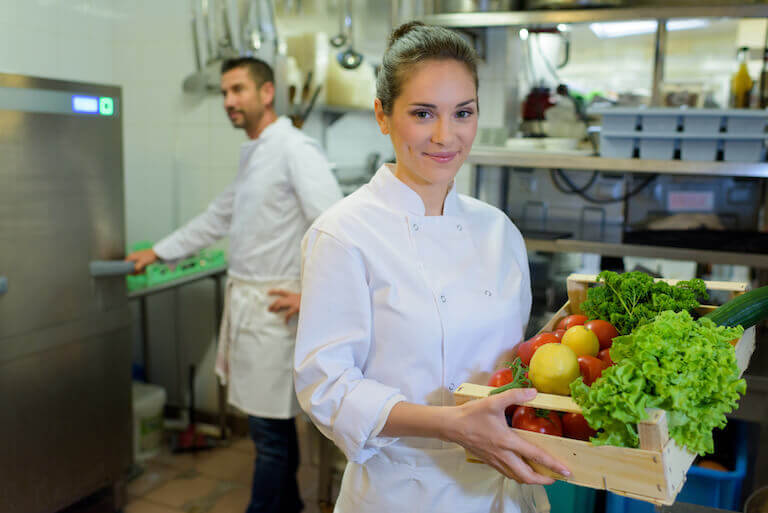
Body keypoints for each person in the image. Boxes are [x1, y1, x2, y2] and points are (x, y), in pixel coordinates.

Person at [294, 22, 570, 512]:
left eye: (462, 113)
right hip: (404, 492)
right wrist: (450, 426)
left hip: (507, 492)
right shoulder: (343, 234)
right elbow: (327, 388)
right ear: (383, 115)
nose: (446, 136)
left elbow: (514, 361)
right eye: (423, 113)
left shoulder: (499, 230)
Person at [126, 57, 342, 513]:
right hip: (251, 306)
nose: (228, 101)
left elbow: (335, 228)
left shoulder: (293, 149)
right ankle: (290, 507)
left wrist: (314, 296)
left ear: (266, 93)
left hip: (274, 310)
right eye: (224, 93)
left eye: (238, 90)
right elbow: (217, 218)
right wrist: (159, 252)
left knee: (268, 437)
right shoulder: (257, 153)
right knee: (275, 430)